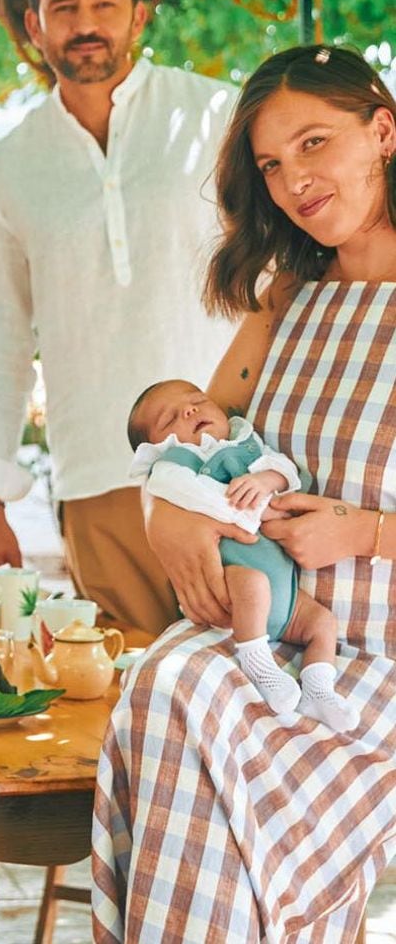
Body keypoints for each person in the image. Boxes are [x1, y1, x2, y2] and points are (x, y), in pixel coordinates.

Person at [93, 46, 396, 941]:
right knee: (168, 682)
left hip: (373, 657)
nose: (294, 180)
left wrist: (369, 532)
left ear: (383, 131)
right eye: (271, 164)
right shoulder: (289, 298)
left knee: (185, 691)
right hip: (263, 630)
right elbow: (199, 432)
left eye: (314, 143)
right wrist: (167, 509)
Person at [0, 0, 237, 636]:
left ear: (138, 14)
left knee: (253, 688)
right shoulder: (6, 169)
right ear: (33, 25)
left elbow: (288, 276)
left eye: (104, 4)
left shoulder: (220, 118)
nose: (85, 26)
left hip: (231, 464)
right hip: (97, 478)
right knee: (119, 701)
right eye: (64, 8)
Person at [127, 379, 359, 730]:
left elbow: (284, 470)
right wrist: (255, 511)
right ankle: (259, 664)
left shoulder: (246, 443)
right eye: (169, 418)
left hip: (288, 599)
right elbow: (186, 492)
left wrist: (267, 481)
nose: (190, 410)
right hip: (233, 585)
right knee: (253, 586)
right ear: (155, 446)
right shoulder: (177, 463)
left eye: (198, 400)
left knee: (322, 623)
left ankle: (318, 690)